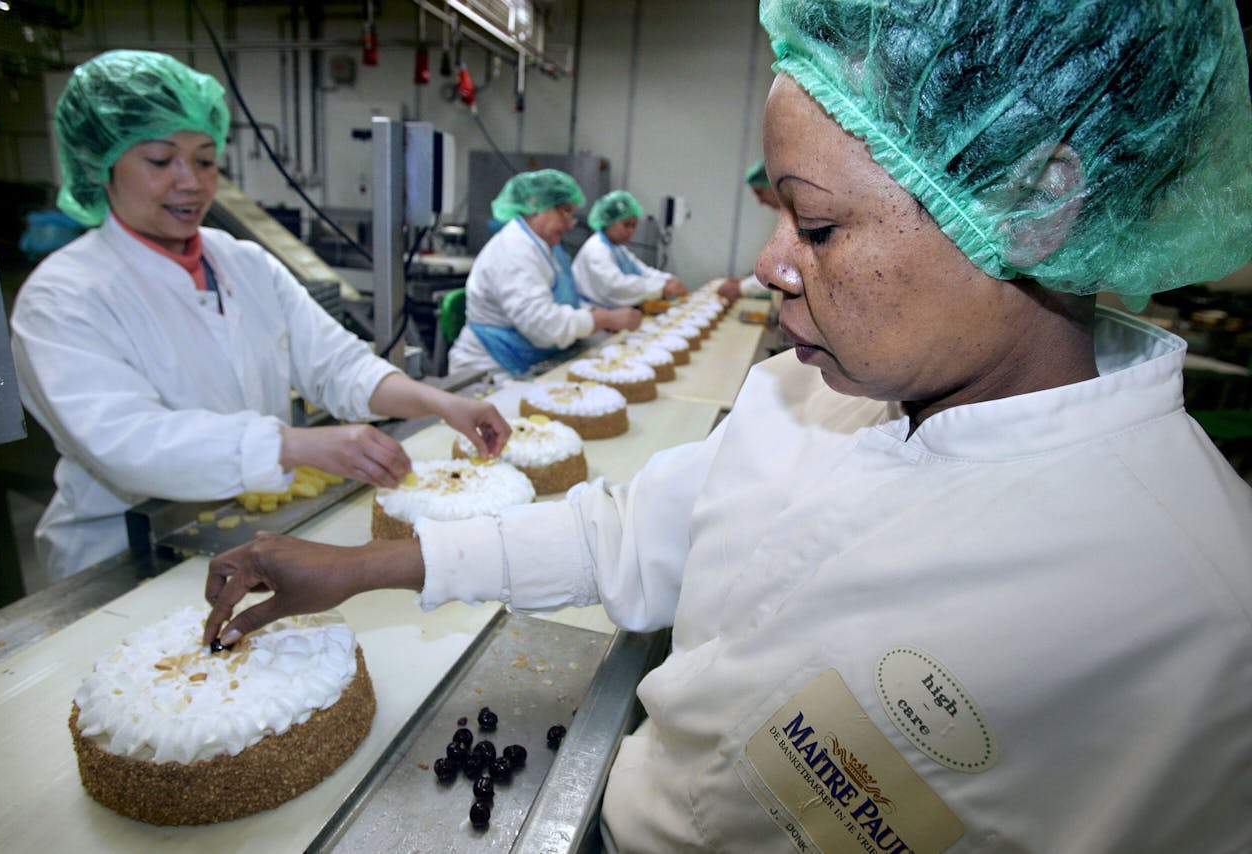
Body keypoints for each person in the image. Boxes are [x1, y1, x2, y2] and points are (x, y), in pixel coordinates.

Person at [205, 0, 1252, 850]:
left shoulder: (1196, 618)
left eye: (818, 223)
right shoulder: (809, 389)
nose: (767, 263)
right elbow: (625, 533)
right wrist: (357, 568)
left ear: (1035, 198)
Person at [10, 50, 509, 581]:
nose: (192, 182)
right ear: (100, 167)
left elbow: (334, 362)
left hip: (242, 528)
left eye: (204, 159)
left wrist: (439, 402)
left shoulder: (239, 260)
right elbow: (125, 442)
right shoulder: (64, 295)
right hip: (120, 556)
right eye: (160, 161)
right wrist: (295, 445)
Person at [446, 170, 642, 376]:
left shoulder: (548, 247)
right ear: (535, 205)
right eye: (565, 212)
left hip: (528, 359)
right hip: (490, 368)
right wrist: (604, 320)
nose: (570, 224)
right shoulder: (514, 251)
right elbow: (543, 326)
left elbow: (561, 302)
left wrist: (592, 314)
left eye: (572, 215)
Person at [571, 190, 688, 307]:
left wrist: (668, 279)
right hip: (593, 313)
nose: (631, 231)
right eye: (626, 225)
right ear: (608, 221)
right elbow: (616, 287)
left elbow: (641, 270)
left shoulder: (618, 248)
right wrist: (660, 287)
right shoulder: (596, 250)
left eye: (634, 225)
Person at [719, 158, 780, 301]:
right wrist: (745, 282)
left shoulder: (799, 219)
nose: (760, 201)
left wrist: (742, 288)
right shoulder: (784, 217)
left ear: (772, 185)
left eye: (760, 192)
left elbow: (784, 272)